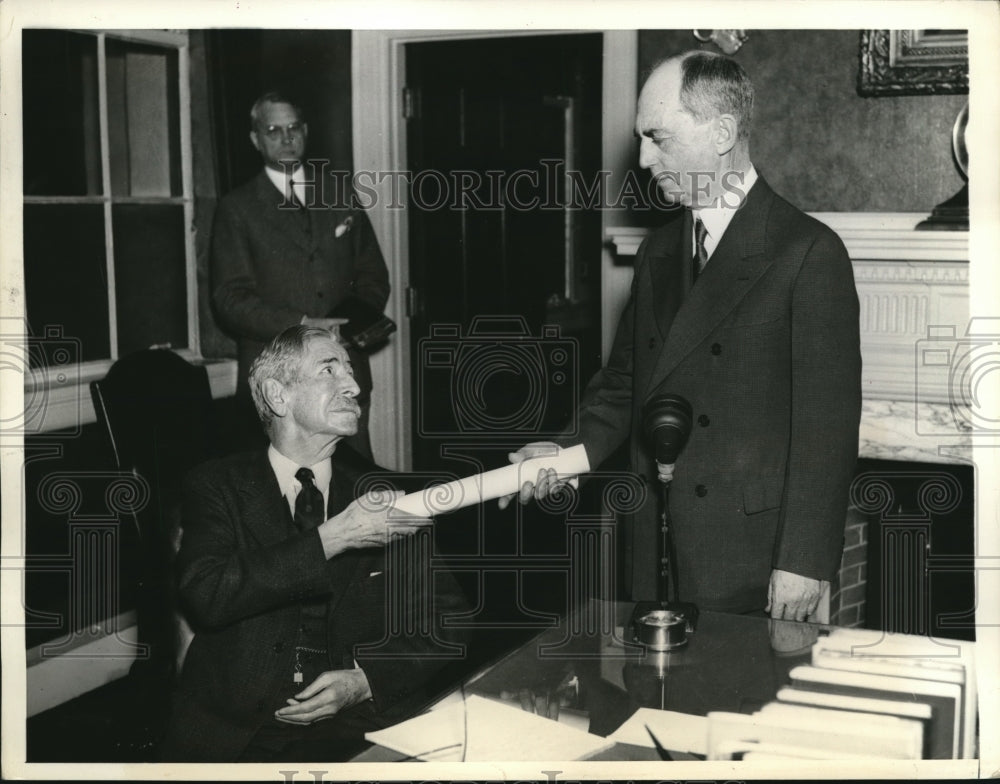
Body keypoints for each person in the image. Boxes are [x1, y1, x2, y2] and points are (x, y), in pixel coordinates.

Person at [502, 51, 861, 622]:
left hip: (753, 556)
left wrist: (804, 561)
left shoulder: (809, 253)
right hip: (653, 537)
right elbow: (625, 383)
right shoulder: (658, 251)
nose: (644, 159)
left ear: (721, 133)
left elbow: (827, 431)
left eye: (658, 138)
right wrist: (565, 452)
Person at [159, 326, 465, 762]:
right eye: (329, 369)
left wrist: (365, 679)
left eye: (351, 370)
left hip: (362, 725)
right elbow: (207, 594)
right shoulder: (217, 487)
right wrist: (336, 537)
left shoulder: (381, 495)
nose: (354, 385)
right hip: (240, 733)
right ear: (277, 395)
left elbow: (450, 621)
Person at [212, 90, 390, 459]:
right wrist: (305, 325)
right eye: (273, 130)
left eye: (293, 127)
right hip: (277, 383)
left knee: (355, 484)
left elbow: (373, 275)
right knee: (283, 499)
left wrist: (350, 323)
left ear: (305, 131)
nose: (286, 137)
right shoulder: (237, 209)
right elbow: (230, 299)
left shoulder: (341, 194)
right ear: (256, 139)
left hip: (345, 374)